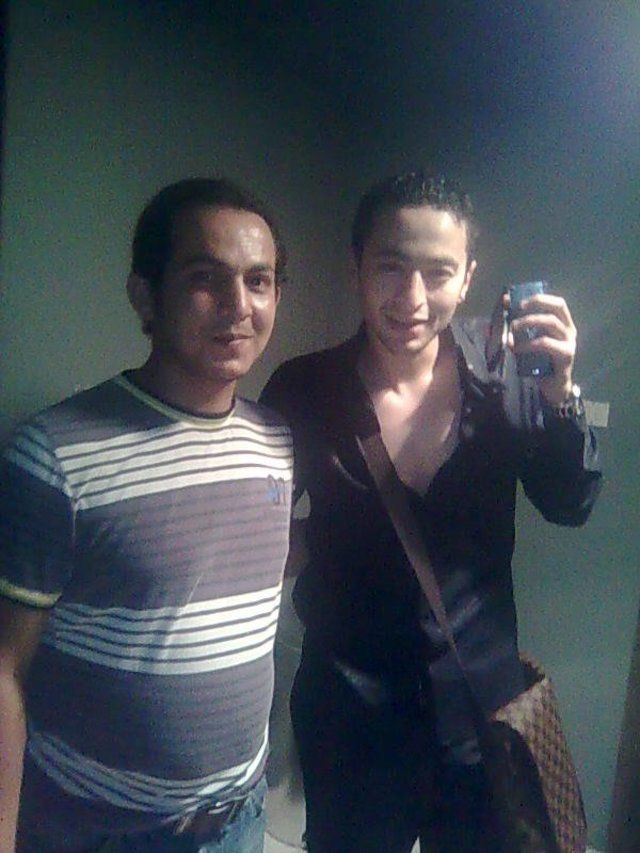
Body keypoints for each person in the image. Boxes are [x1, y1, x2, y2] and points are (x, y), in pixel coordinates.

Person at [260, 171, 602, 852]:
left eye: (438, 272)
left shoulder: (511, 375)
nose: (412, 299)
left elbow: (569, 503)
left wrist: (561, 393)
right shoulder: (302, 388)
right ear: (357, 266)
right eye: (391, 267)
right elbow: (263, 529)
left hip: (480, 714)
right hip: (350, 716)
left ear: (468, 277)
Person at [0, 178, 293, 852]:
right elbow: (4, 668)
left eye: (258, 281)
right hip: (99, 830)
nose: (238, 305)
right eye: (205, 278)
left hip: (240, 821)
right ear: (145, 295)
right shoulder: (53, 454)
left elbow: (216, 573)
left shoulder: (276, 440)